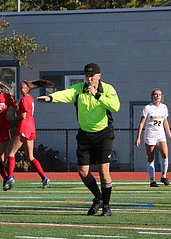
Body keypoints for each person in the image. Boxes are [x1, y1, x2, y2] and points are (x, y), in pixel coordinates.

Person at [37, 63, 120, 217]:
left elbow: (115, 106)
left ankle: (106, 207)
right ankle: (99, 197)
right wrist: (50, 98)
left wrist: (97, 95)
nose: (89, 79)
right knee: (82, 171)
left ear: (99, 76)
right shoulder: (78, 89)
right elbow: (65, 94)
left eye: (92, 76)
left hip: (104, 134)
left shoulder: (108, 89)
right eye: (87, 75)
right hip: (85, 135)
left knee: (103, 171)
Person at [3, 79, 54, 191]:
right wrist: (16, 106)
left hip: (24, 127)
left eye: (22, 87)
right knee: (30, 157)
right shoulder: (29, 99)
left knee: (11, 154)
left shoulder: (25, 99)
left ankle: (10, 178)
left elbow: (23, 116)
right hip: (31, 128)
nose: (20, 89)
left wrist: (11, 118)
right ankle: (44, 177)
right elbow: (24, 111)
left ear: (27, 89)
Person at [135, 88, 171, 187]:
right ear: (152, 96)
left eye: (159, 95)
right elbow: (141, 123)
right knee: (151, 158)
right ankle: (152, 180)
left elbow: (165, 121)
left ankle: (163, 176)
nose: (158, 96)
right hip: (150, 136)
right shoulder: (148, 108)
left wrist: (169, 135)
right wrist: (138, 137)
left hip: (160, 135)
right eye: (156, 94)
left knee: (165, 154)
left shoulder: (164, 107)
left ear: (162, 97)